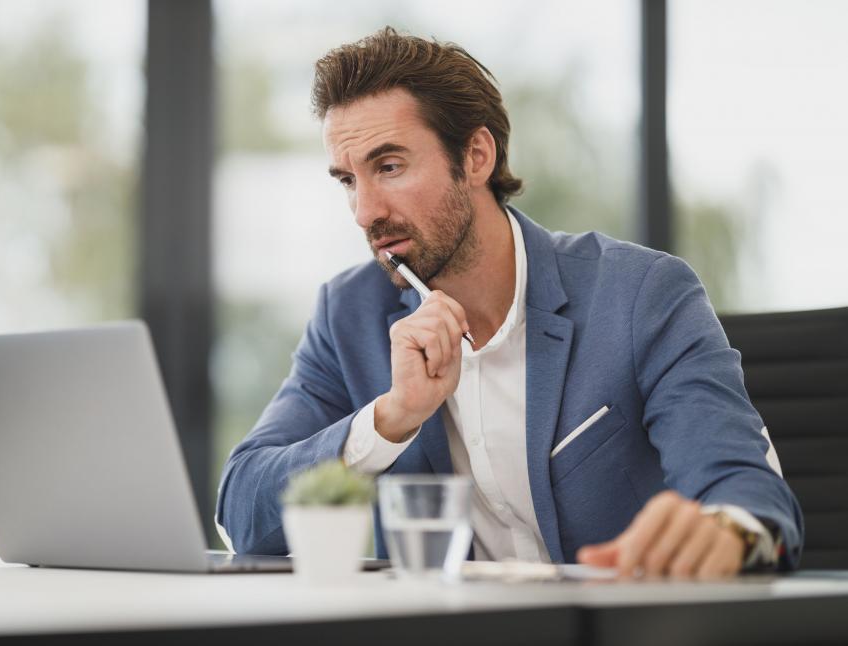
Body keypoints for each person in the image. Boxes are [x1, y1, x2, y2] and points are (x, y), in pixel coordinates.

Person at [216, 27, 803, 577]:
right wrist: (390, 419)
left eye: (389, 166)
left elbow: (744, 489)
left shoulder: (639, 293)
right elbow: (241, 516)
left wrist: (727, 531)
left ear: (476, 157)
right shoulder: (348, 315)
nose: (365, 211)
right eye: (347, 180)